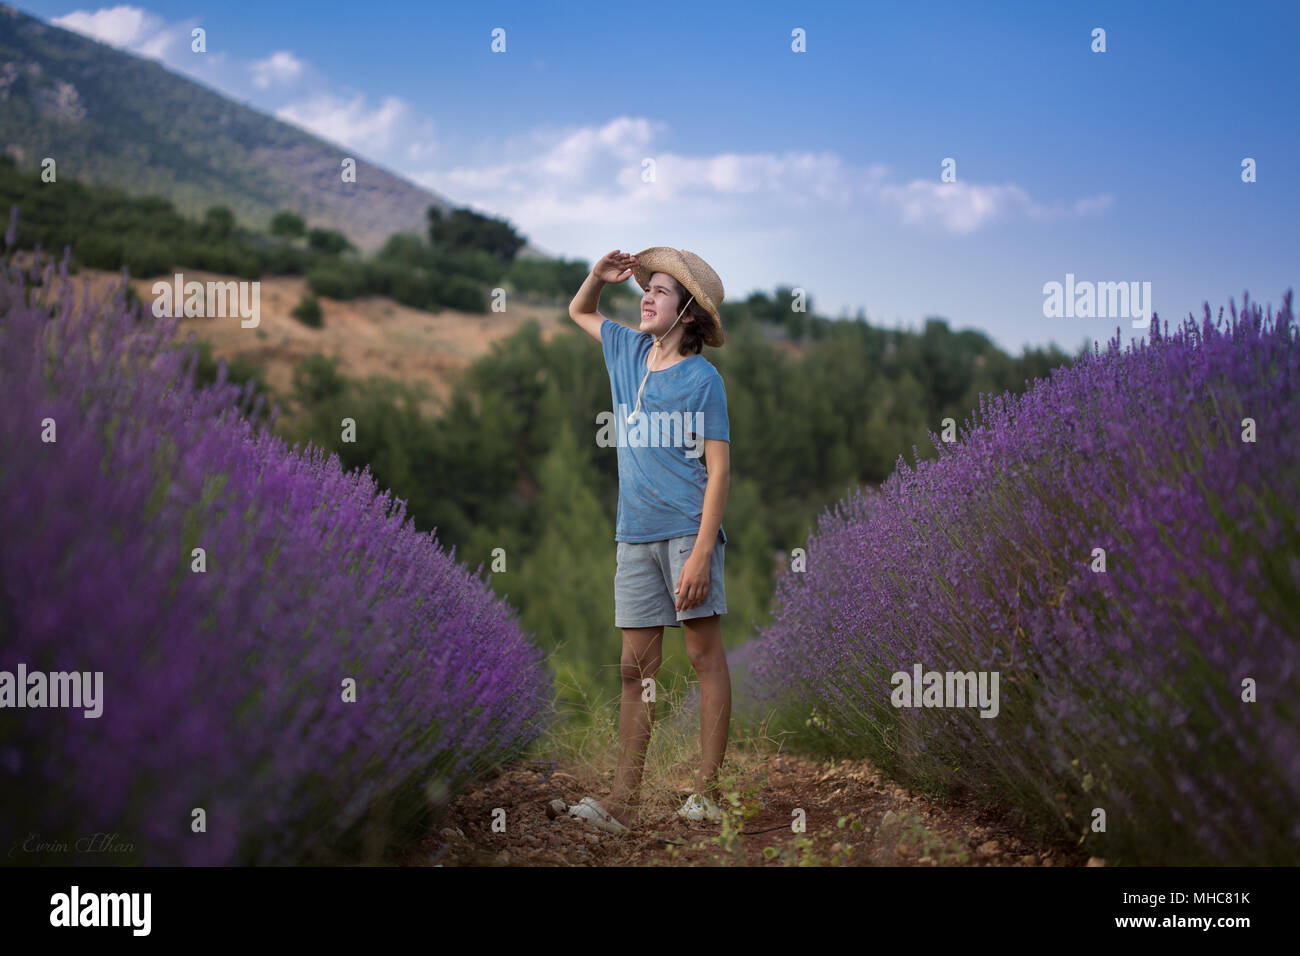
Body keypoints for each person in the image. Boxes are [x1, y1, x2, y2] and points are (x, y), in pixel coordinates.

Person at [566, 247, 731, 832]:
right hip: (631, 537)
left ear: (687, 312)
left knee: (704, 658)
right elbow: (579, 311)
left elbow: (719, 471)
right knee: (636, 672)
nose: (647, 296)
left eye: (661, 290)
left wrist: (704, 553)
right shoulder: (628, 351)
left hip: (687, 534)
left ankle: (706, 794)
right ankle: (621, 803)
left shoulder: (702, 379)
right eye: (647, 288)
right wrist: (597, 275)